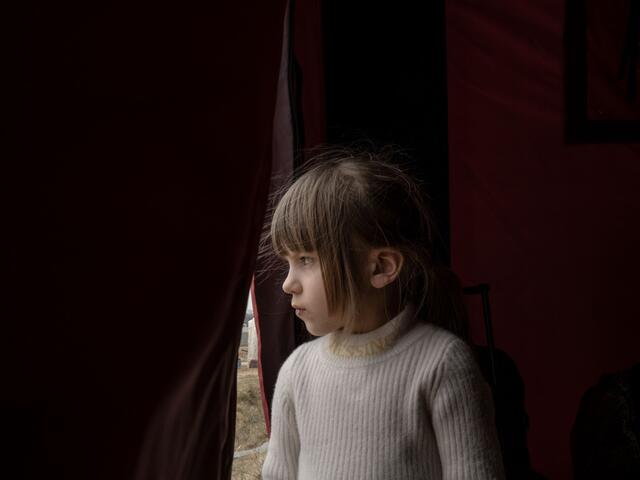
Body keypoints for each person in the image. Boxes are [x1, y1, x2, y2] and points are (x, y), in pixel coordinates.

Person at [258, 144, 505, 479]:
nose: (289, 284)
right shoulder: (297, 372)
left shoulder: (442, 365)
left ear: (380, 267)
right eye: (288, 263)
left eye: (306, 260)